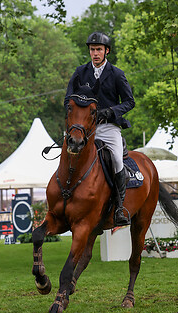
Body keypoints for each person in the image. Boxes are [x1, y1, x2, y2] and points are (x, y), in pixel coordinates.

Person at [64, 32, 135, 227]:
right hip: (84, 129)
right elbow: (67, 98)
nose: (95, 53)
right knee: (67, 156)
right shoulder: (80, 72)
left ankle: (120, 208)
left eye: (99, 50)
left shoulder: (117, 74)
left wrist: (111, 111)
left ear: (106, 51)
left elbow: (130, 102)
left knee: (117, 161)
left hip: (108, 127)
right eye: (92, 50)